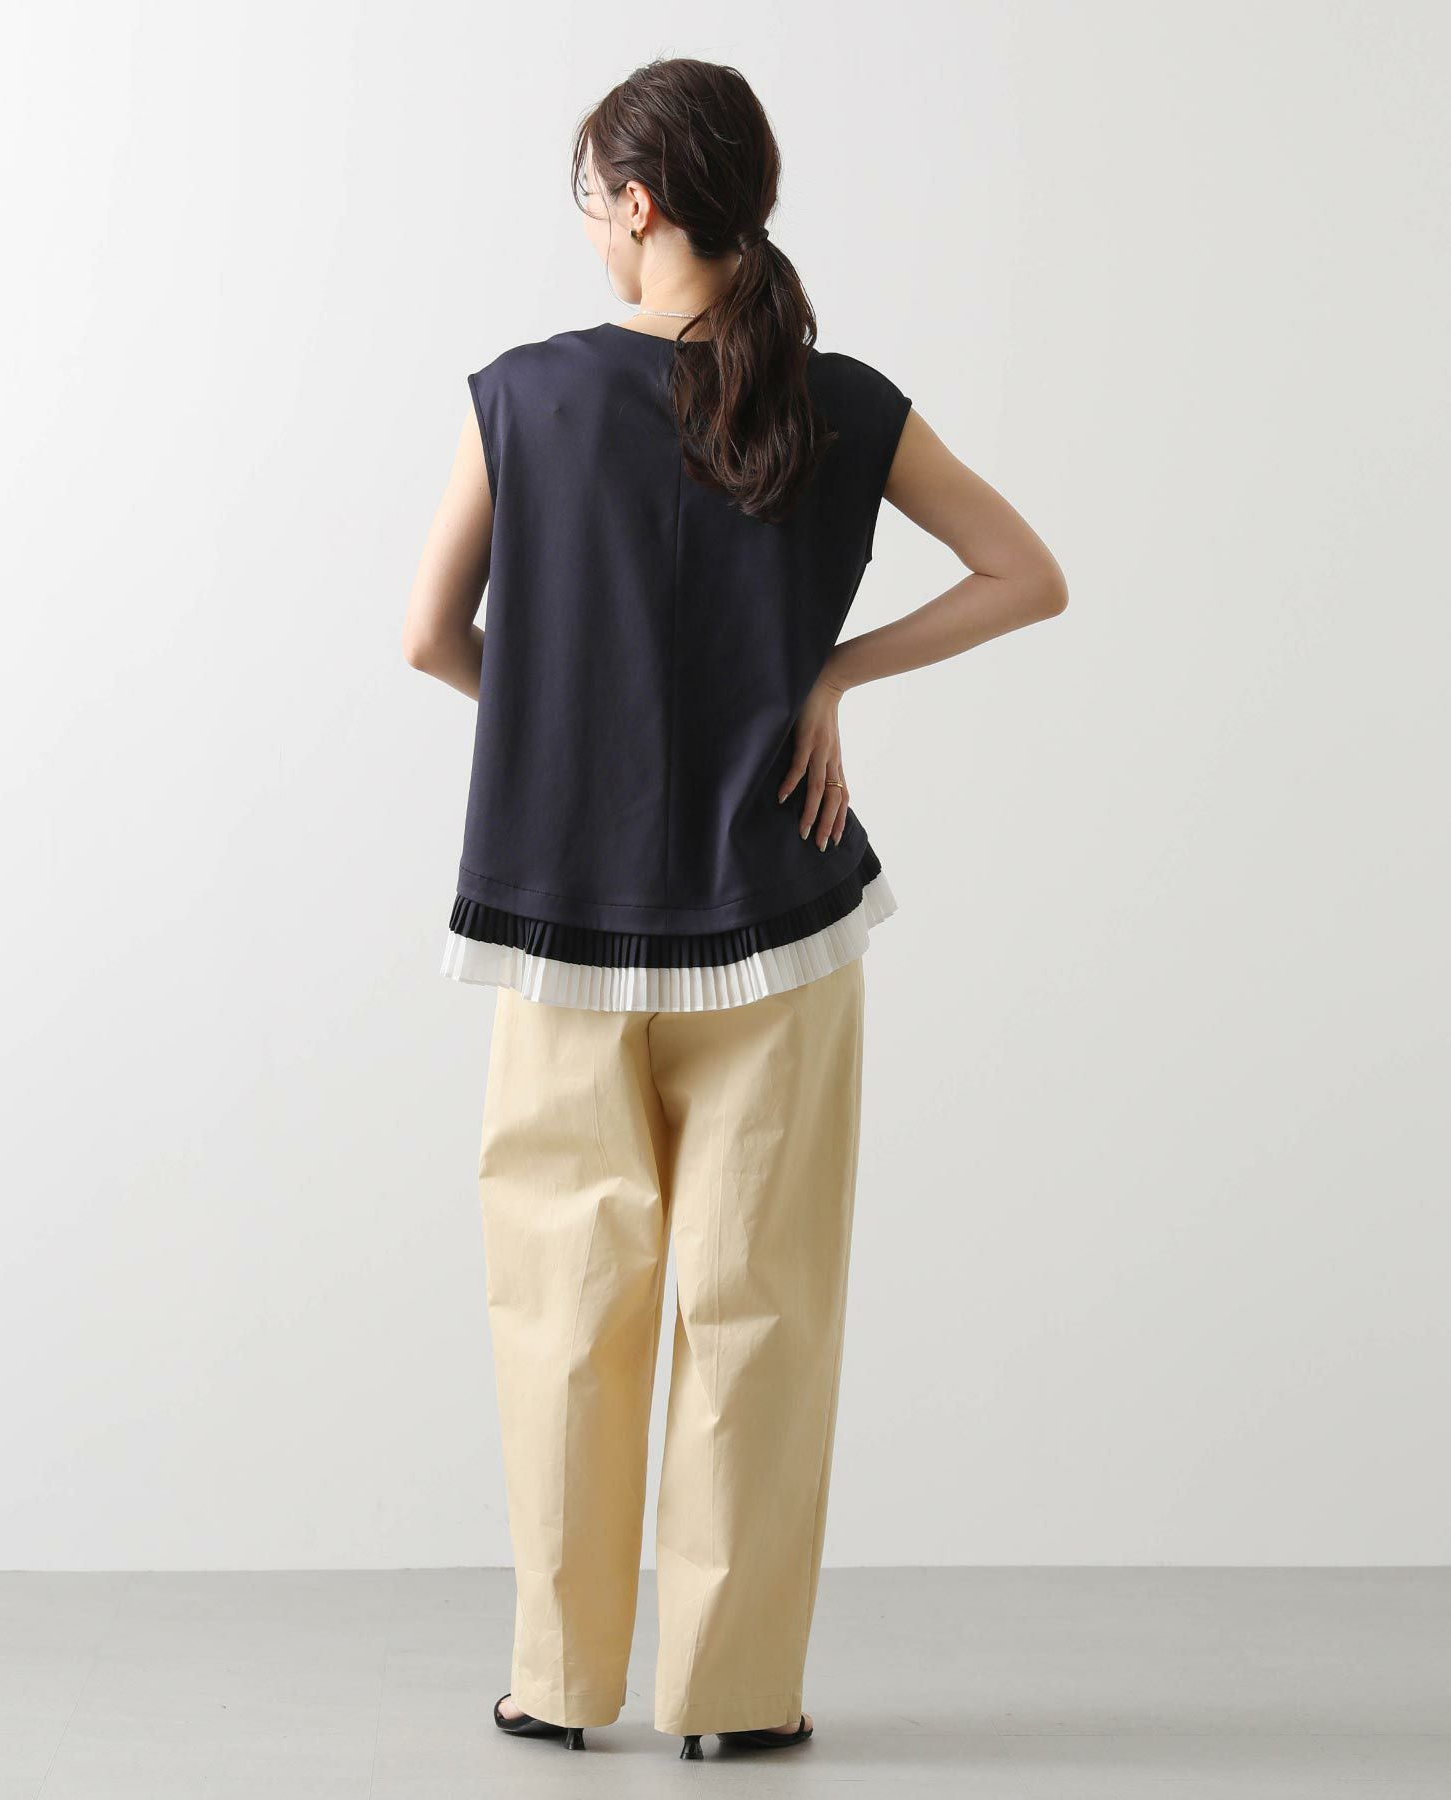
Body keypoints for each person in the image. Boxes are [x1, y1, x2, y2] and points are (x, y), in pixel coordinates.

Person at [402, 56, 1067, 1762]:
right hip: (781, 916)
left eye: (591, 200)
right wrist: (833, 672)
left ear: (637, 203)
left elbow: (427, 638)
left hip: (561, 922)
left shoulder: (524, 399)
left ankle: (559, 1685)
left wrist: (562, 720)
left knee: (564, 1312)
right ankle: (736, 1697)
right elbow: (1027, 574)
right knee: (759, 1311)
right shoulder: (840, 402)